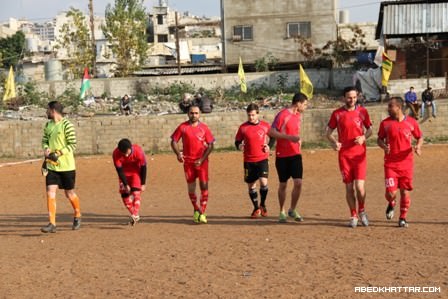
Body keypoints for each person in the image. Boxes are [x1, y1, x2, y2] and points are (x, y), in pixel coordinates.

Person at [325, 86, 373, 228]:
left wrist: (364, 137)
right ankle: (353, 215)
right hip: (345, 156)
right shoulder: (337, 114)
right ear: (343, 98)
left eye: (354, 97)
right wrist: (335, 143)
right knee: (349, 188)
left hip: (359, 155)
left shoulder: (362, 112)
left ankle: (362, 210)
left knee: (359, 187)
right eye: (349, 97)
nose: (352, 100)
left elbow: (370, 130)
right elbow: (328, 133)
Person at [377, 97, 423, 228]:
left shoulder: (411, 122)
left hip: (406, 164)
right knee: (391, 193)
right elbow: (379, 139)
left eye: (390, 106)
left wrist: (418, 146)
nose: (388, 108)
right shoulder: (385, 124)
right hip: (390, 164)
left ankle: (402, 218)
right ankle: (391, 203)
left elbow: (420, 137)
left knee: (405, 192)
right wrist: (383, 146)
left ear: (398, 107)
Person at [40, 101, 81, 233]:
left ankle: (77, 215)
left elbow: (72, 144)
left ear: (53, 111)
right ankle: (52, 223)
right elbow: (45, 140)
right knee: (50, 191)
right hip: (52, 166)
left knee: (69, 193)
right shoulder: (48, 125)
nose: (46, 112)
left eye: (48, 110)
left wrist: (58, 153)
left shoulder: (67, 125)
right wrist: (46, 149)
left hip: (67, 166)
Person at [171, 105, 215, 224]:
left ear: (199, 114)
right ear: (188, 114)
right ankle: (196, 209)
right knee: (191, 187)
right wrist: (178, 154)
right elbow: (174, 141)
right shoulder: (183, 127)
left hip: (202, 162)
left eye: (196, 113)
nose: (194, 115)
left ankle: (202, 212)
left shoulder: (204, 128)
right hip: (188, 163)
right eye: (191, 113)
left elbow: (211, 145)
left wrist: (202, 159)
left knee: (204, 186)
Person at [269, 92, 308, 223]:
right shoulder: (283, 115)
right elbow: (272, 132)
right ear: (298, 103)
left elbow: (295, 132)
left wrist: (298, 141)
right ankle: (282, 211)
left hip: (296, 154)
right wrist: (289, 138)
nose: (306, 107)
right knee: (283, 184)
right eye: (305, 104)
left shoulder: (298, 116)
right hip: (282, 155)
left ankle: (292, 209)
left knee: (298, 183)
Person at [235, 103, 272, 218]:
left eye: (253, 115)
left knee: (263, 182)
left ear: (258, 114)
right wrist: (239, 146)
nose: (251, 117)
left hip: (262, 159)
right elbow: (237, 141)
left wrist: (269, 145)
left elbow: (273, 136)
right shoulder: (243, 127)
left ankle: (263, 205)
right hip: (248, 161)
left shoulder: (265, 126)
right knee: (251, 186)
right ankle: (256, 208)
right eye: (249, 115)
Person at [112, 138, 147, 226]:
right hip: (124, 173)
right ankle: (135, 215)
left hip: (135, 172)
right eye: (124, 154)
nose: (126, 156)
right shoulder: (116, 153)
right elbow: (119, 170)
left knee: (136, 193)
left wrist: (143, 183)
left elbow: (143, 167)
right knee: (125, 196)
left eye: (127, 152)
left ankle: (134, 214)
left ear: (131, 147)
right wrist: (125, 184)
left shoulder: (138, 151)